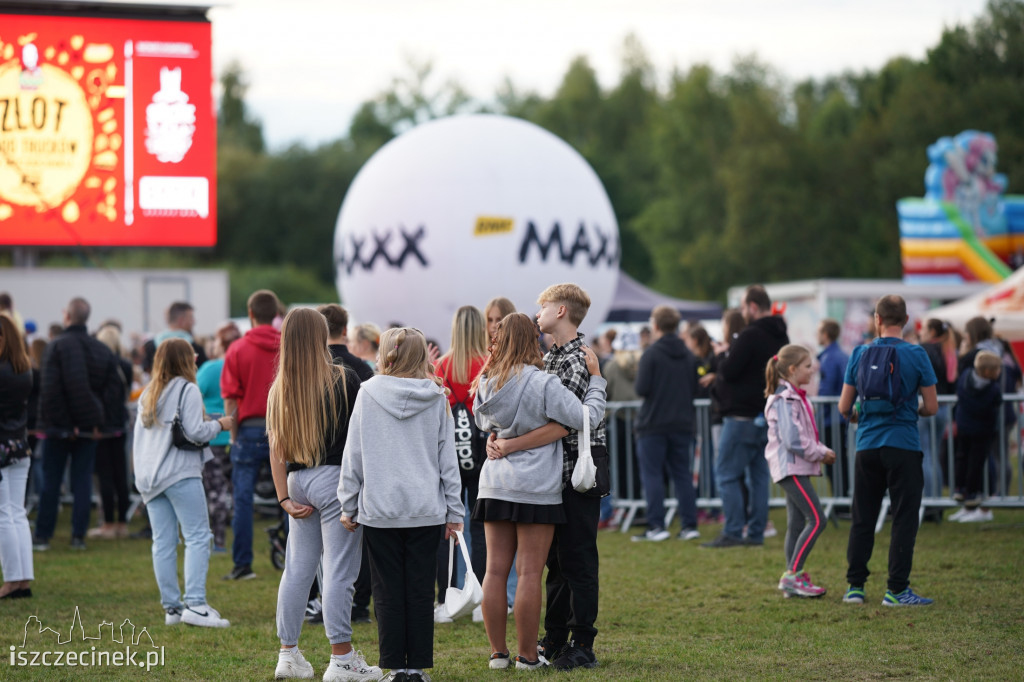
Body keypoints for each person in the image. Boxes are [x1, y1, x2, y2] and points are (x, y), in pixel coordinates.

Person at [472, 312, 606, 671]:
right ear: (531, 340)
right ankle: (528, 656)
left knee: (495, 572)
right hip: (535, 485)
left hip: (495, 481)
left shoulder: (485, 381)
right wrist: (597, 382)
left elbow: (483, 423)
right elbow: (585, 417)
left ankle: (498, 654)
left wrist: (500, 440)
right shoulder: (543, 382)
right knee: (530, 573)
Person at [339, 327, 464, 682]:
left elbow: (354, 454)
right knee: (422, 590)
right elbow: (447, 461)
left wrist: (348, 503)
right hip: (425, 507)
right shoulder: (438, 397)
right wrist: (455, 511)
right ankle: (418, 666)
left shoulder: (368, 394)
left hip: (381, 509)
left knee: (387, 590)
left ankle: (395, 666)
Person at [266, 309, 378, 682]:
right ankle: (342, 658)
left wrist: (283, 498)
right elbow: (360, 438)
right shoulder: (343, 379)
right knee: (339, 572)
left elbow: (275, 448)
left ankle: (288, 653)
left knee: (298, 569)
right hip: (334, 480)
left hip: (297, 481)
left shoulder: (281, 385)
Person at [838, 294, 937, 607]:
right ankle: (896, 590)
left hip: (867, 445)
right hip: (903, 444)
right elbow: (932, 407)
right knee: (904, 517)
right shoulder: (917, 354)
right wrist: (913, 412)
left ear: (877, 320)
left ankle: (855, 587)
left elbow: (844, 407)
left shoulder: (859, 352)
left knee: (862, 517)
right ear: (906, 320)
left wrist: (861, 416)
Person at [132, 338, 235, 627]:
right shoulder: (187, 389)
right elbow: (196, 432)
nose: (197, 356)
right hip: (179, 472)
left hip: (150, 477)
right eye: (192, 353)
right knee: (198, 537)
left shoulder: (148, 392)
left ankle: (173, 609)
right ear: (184, 360)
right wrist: (220, 425)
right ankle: (196, 604)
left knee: (163, 542)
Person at [703, 285, 788, 549]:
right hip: (766, 414)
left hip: (740, 416)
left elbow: (729, 371)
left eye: (743, 306)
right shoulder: (780, 335)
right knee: (759, 476)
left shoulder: (750, 335)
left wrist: (723, 355)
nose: (742, 311)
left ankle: (733, 531)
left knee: (727, 474)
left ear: (752, 306)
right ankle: (756, 533)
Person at [34, 297, 120, 551]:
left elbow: (51, 391)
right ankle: (78, 536)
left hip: (60, 427)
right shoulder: (101, 349)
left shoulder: (56, 346)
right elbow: (111, 392)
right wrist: (96, 423)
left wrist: (65, 424)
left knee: (52, 481)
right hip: (89, 428)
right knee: (82, 481)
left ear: (67, 316)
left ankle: (43, 535)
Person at [318, 304, 376, 626]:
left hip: (312, 464)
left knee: (313, 552)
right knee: (355, 542)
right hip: (353, 463)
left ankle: (320, 604)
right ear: (345, 327)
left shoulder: (310, 366)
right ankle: (359, 603)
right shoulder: (361, 368)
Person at [764, 344, 835, 598]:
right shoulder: (785, 399)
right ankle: (792, 575)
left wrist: (821, 449)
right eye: (807, 366)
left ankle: (793, 575)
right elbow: (792, 440)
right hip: (790, 467)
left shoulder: (795, 396)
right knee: (818, 519)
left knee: (795, 523)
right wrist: (820, 453)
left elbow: (803, 435)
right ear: (792, 370)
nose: (812, 370)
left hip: (796, 466)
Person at [221, 290, 282, 581]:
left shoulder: (237, 349)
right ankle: (294, 558)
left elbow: (231, 399)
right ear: (276, 312)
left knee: (243, 498)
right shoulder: (288, 345)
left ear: (250, 313)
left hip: (247, 428)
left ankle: (242, 563)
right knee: (289, 495)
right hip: (283, 427)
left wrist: (233, 436)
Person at [433, 306, 489, 623]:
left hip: (451, 455)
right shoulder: (489, 364)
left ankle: (446, 601)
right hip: (483, 456)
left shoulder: (442, 365)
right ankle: (480, 600)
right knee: (481, 530)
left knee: (449, 529)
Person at [632, 305, 700, 543]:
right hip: (682, 423)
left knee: (652, 475)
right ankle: (689, 525)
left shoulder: (651, 354)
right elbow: (695, 387)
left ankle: (656, 525)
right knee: (682, 475)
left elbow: (641, 388)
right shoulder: (689, 355)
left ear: (656, 326)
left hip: (653, 424)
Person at [196, 322, 241, 552]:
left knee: (215, 491)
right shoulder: (241, 365)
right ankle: (235, 538)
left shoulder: (210, 369)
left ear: (220, 343)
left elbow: (194, 393)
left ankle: (218, 540)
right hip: (236, 435)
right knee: (233, 490)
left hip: (212, 437)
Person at [88, 325, 134, 539]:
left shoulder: (95, 365)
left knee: (105, 475)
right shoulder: (125, 365)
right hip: (120, 424)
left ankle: (107, 523)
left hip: (102, 426)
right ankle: (122, 523)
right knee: (120, 475)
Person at [0, 313, 34, 599]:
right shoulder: (24, 370)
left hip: (3, 445)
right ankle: (22, 580)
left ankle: (12, 580)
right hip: (19, 444)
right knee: (16, 513)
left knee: (4, 515)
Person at [952, 351, 1002, 521]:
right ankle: (972, 493)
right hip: (982, 430)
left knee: (961, 457)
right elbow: (997, 402)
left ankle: (959, 488)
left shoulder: (965, 377)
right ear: (989, 372)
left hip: (964, 425)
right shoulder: (993, 389)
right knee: (976, 462)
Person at [816, 318, 850, 502]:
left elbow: (826, 389)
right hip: (840, 416)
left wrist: (818, 416)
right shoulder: (842, 355)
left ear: (826, 334)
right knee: (841, 462)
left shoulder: (829, 357)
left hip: (831, 418)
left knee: (833, 463)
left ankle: (840, 501)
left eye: (819, 331)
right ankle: (842, 499)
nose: (816, 335)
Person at [142, 301, 207, 374]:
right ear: (181, 320)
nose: (194, 322)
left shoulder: (151, 345)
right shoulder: (195, 347)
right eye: (191, 318)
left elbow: (147, 371)